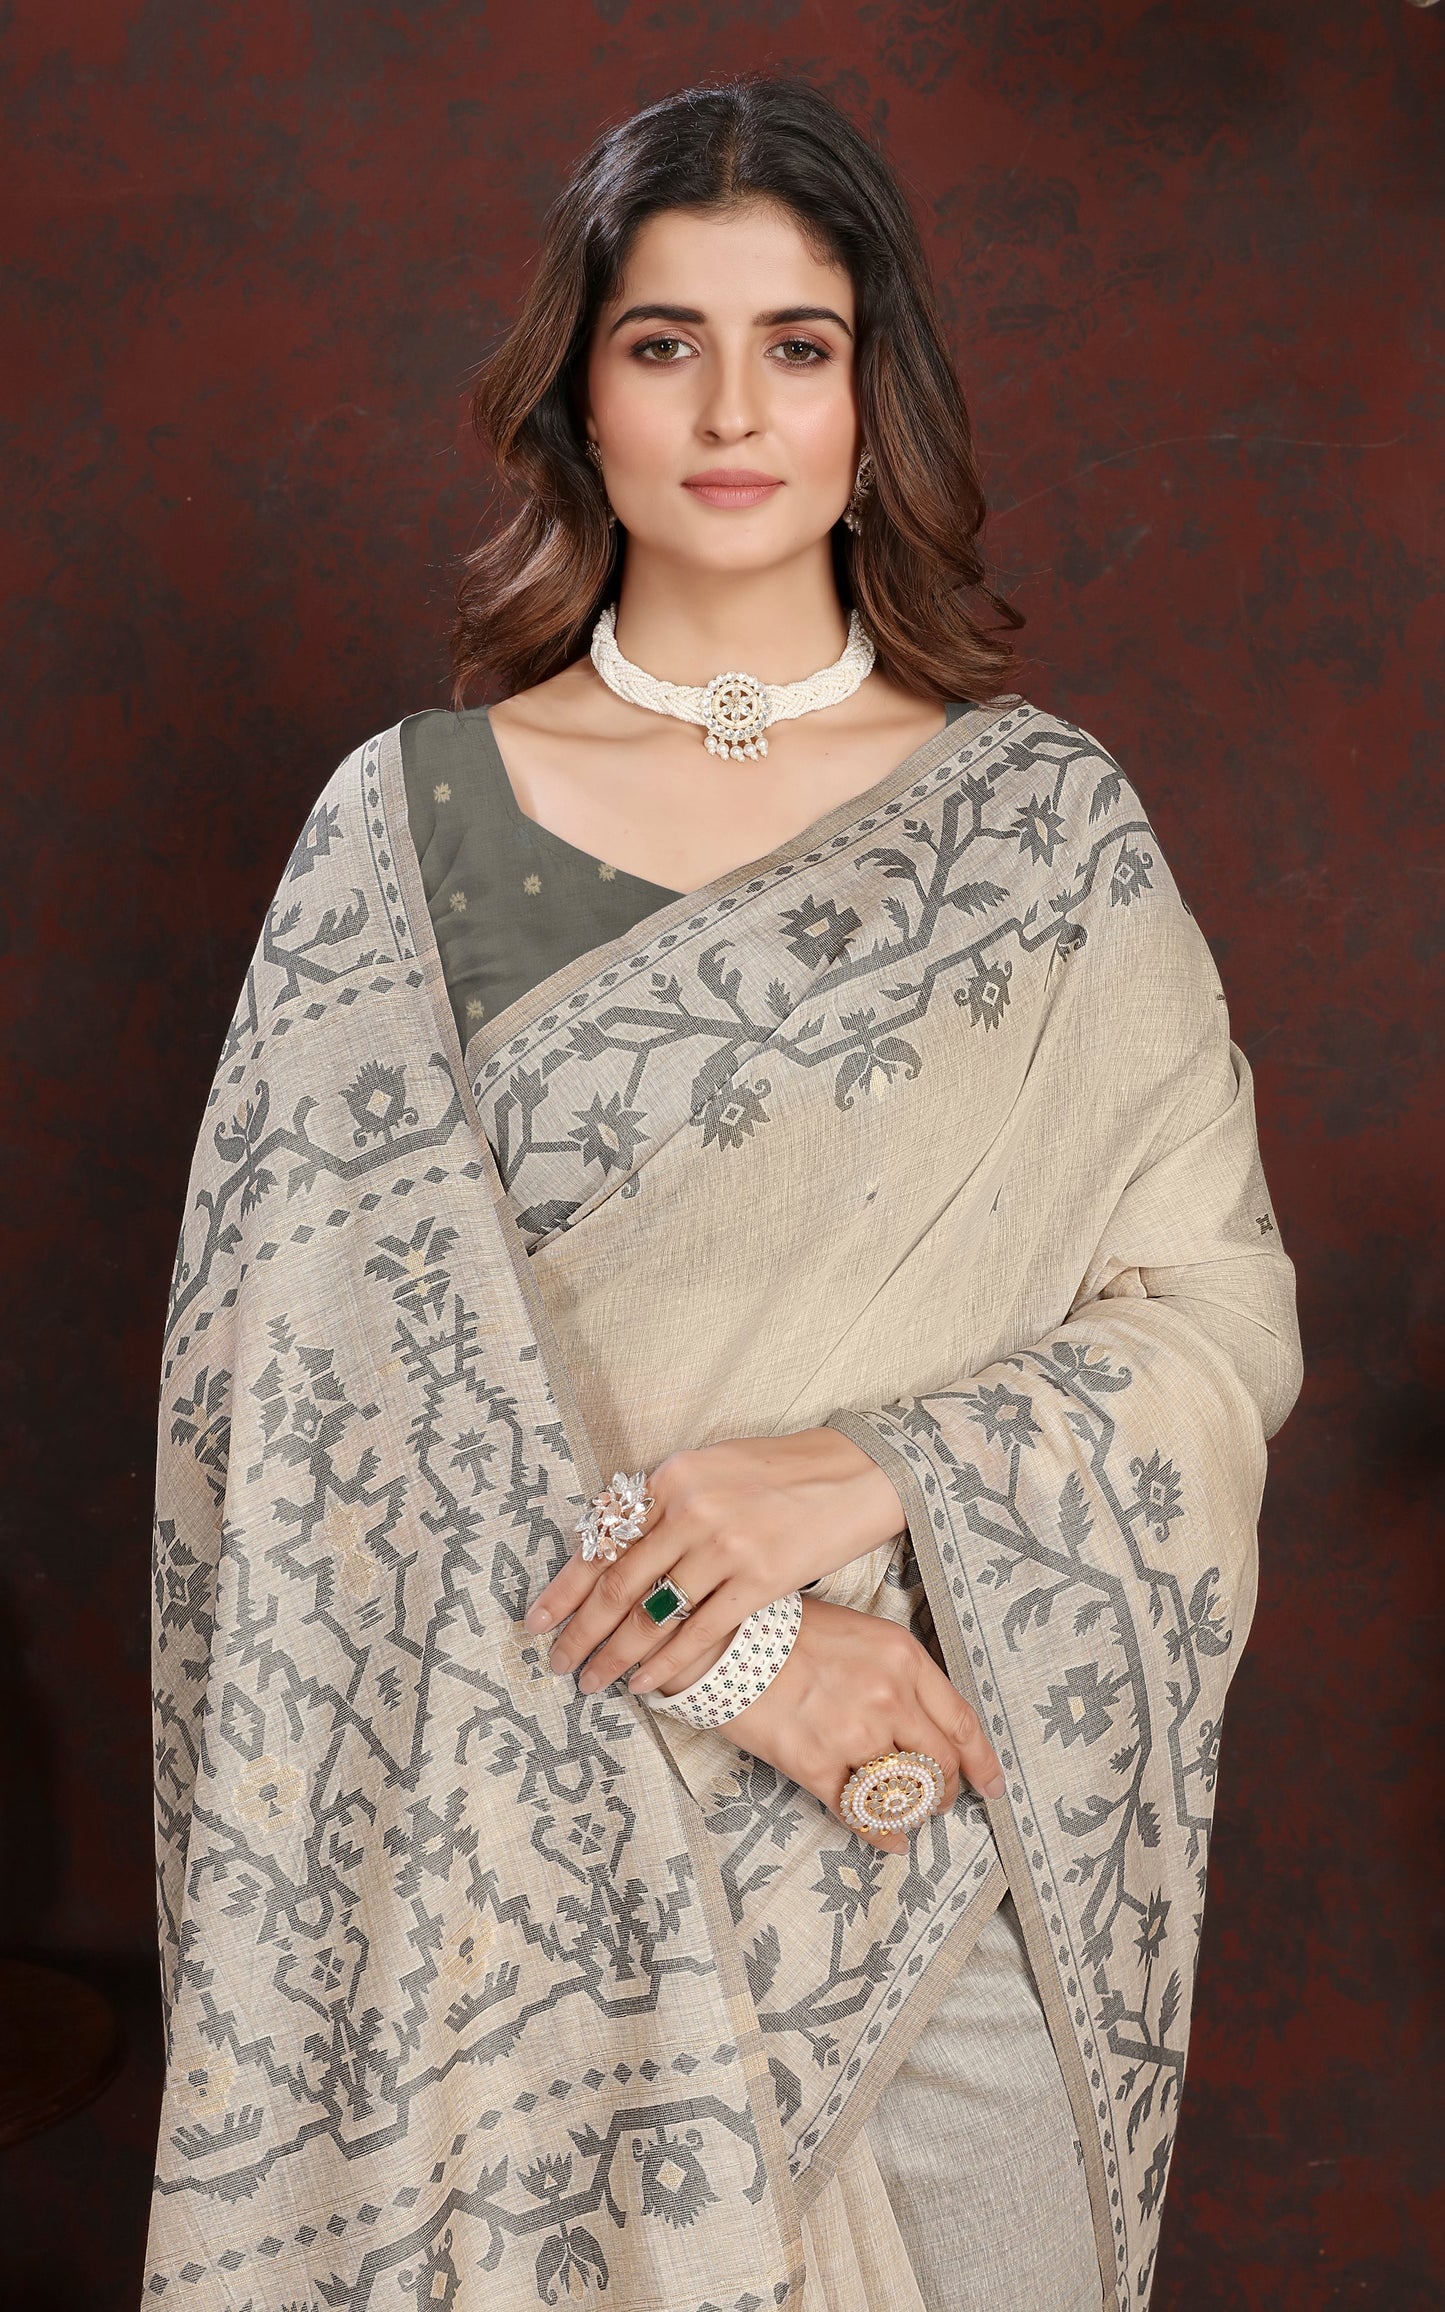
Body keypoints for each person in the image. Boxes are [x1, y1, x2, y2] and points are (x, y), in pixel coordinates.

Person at [147, 75, 1302, 2312]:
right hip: (521, 1911)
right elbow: (317, 1429)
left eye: (800, 343)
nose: (734, 409)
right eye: (664, 342)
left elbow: (1215, 1315)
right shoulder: (406, 833)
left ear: (877, 400)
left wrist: (866, 1469)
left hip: (932, 1860)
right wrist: (745, 1649)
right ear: (579, 397)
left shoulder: (1045, 835)